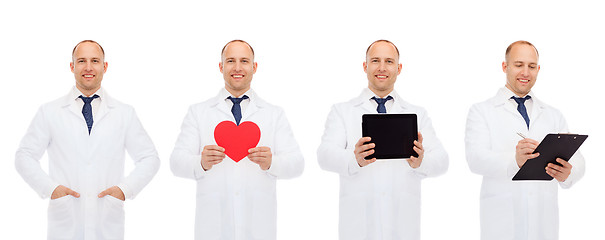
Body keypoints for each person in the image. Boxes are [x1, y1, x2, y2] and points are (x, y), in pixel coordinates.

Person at [15, 40, 160, 239]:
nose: (89, 67)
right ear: (72, 66)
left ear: (105, 66)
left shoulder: (124, 113)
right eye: (82, 61)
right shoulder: (49, 112)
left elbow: (149, 158)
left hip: (107, 222)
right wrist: (51, 189)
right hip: (65, 222)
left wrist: (125, 190)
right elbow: (25, 156)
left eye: (95, 61)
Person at [170, 39, 304, 240]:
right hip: (213, 227)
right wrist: (201, 162)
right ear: (221, 66)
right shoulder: (198, 112)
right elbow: (176, 162)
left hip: (259, 227)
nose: (237, 67)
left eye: (244, 61)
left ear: (254, 67)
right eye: (231, 61)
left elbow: (297, 164)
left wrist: (271, 163)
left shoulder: (274, 114)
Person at [317, 39, 448, 240]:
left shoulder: (417, 114)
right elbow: (324, 156)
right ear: (365, 66)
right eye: (375, 60)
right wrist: (354, 159)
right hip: (358, 226)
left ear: (399, 68)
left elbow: (442, 161)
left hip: (403, 226)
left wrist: (421, 162)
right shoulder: (342, 112)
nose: (382, 67)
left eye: (389, 61)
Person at [465, 40, 585, 240]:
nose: (525, 73)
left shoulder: (553, 115)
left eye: (531, 66)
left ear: (538, 69)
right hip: (502, 223)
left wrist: (568, 172)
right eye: (518, 65)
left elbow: (578, 159)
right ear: (505, 66)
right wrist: (515, 161)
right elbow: (475, 159)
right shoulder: (481, 111)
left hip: (543, 225)